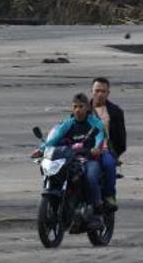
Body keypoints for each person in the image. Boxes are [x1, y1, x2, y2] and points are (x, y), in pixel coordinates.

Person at [31, 93, 106, 226]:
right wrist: (41, 149)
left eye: (81, 106)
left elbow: (99, 137)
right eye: (75, 107)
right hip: (69, 159)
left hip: (88, 159)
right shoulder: (67, 124)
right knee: (56, 174)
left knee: (91, 177)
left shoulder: (95, 123)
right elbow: (53, 139)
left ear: (87, 108)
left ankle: (96, 211)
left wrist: (96, 148)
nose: (78, 109)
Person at [90, 77, 126, 210]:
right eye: (97, 90)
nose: (100, 94)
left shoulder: (115, 112)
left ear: (108, 93)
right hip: (84, 150)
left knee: (109, 164)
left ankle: (109, 196)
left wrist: (114, 154)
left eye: (103, 91)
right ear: (91, 92)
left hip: (105, 149)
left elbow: (121, 139)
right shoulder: (81, 109)